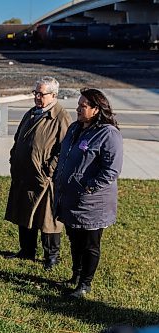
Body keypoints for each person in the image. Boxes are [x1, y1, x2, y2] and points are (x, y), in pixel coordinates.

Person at [54, 88, 123, 298]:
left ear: (96, 109)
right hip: (70, 198)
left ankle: (85, 284)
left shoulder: (108, 134)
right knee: (74, 238)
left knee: (89, 244)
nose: (78, 109)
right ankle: (76, 274)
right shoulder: (75, 128)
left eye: (83, 106)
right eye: (79, 104)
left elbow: (112, 170)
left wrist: (89, 186)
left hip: (93, 202)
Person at [5, 76, 72, 270]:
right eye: (35, 93)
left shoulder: (61, 117)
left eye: (41, 94)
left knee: (47, 219)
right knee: (24, 213)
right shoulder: (32, 113)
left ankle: (51, 256)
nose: (37, 97)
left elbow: (64, 149)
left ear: (53, 95)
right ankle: (26, 250)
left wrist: (49, 170)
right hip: (24, 175)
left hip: (44, 179)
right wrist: (14, 158)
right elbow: (19, 139)